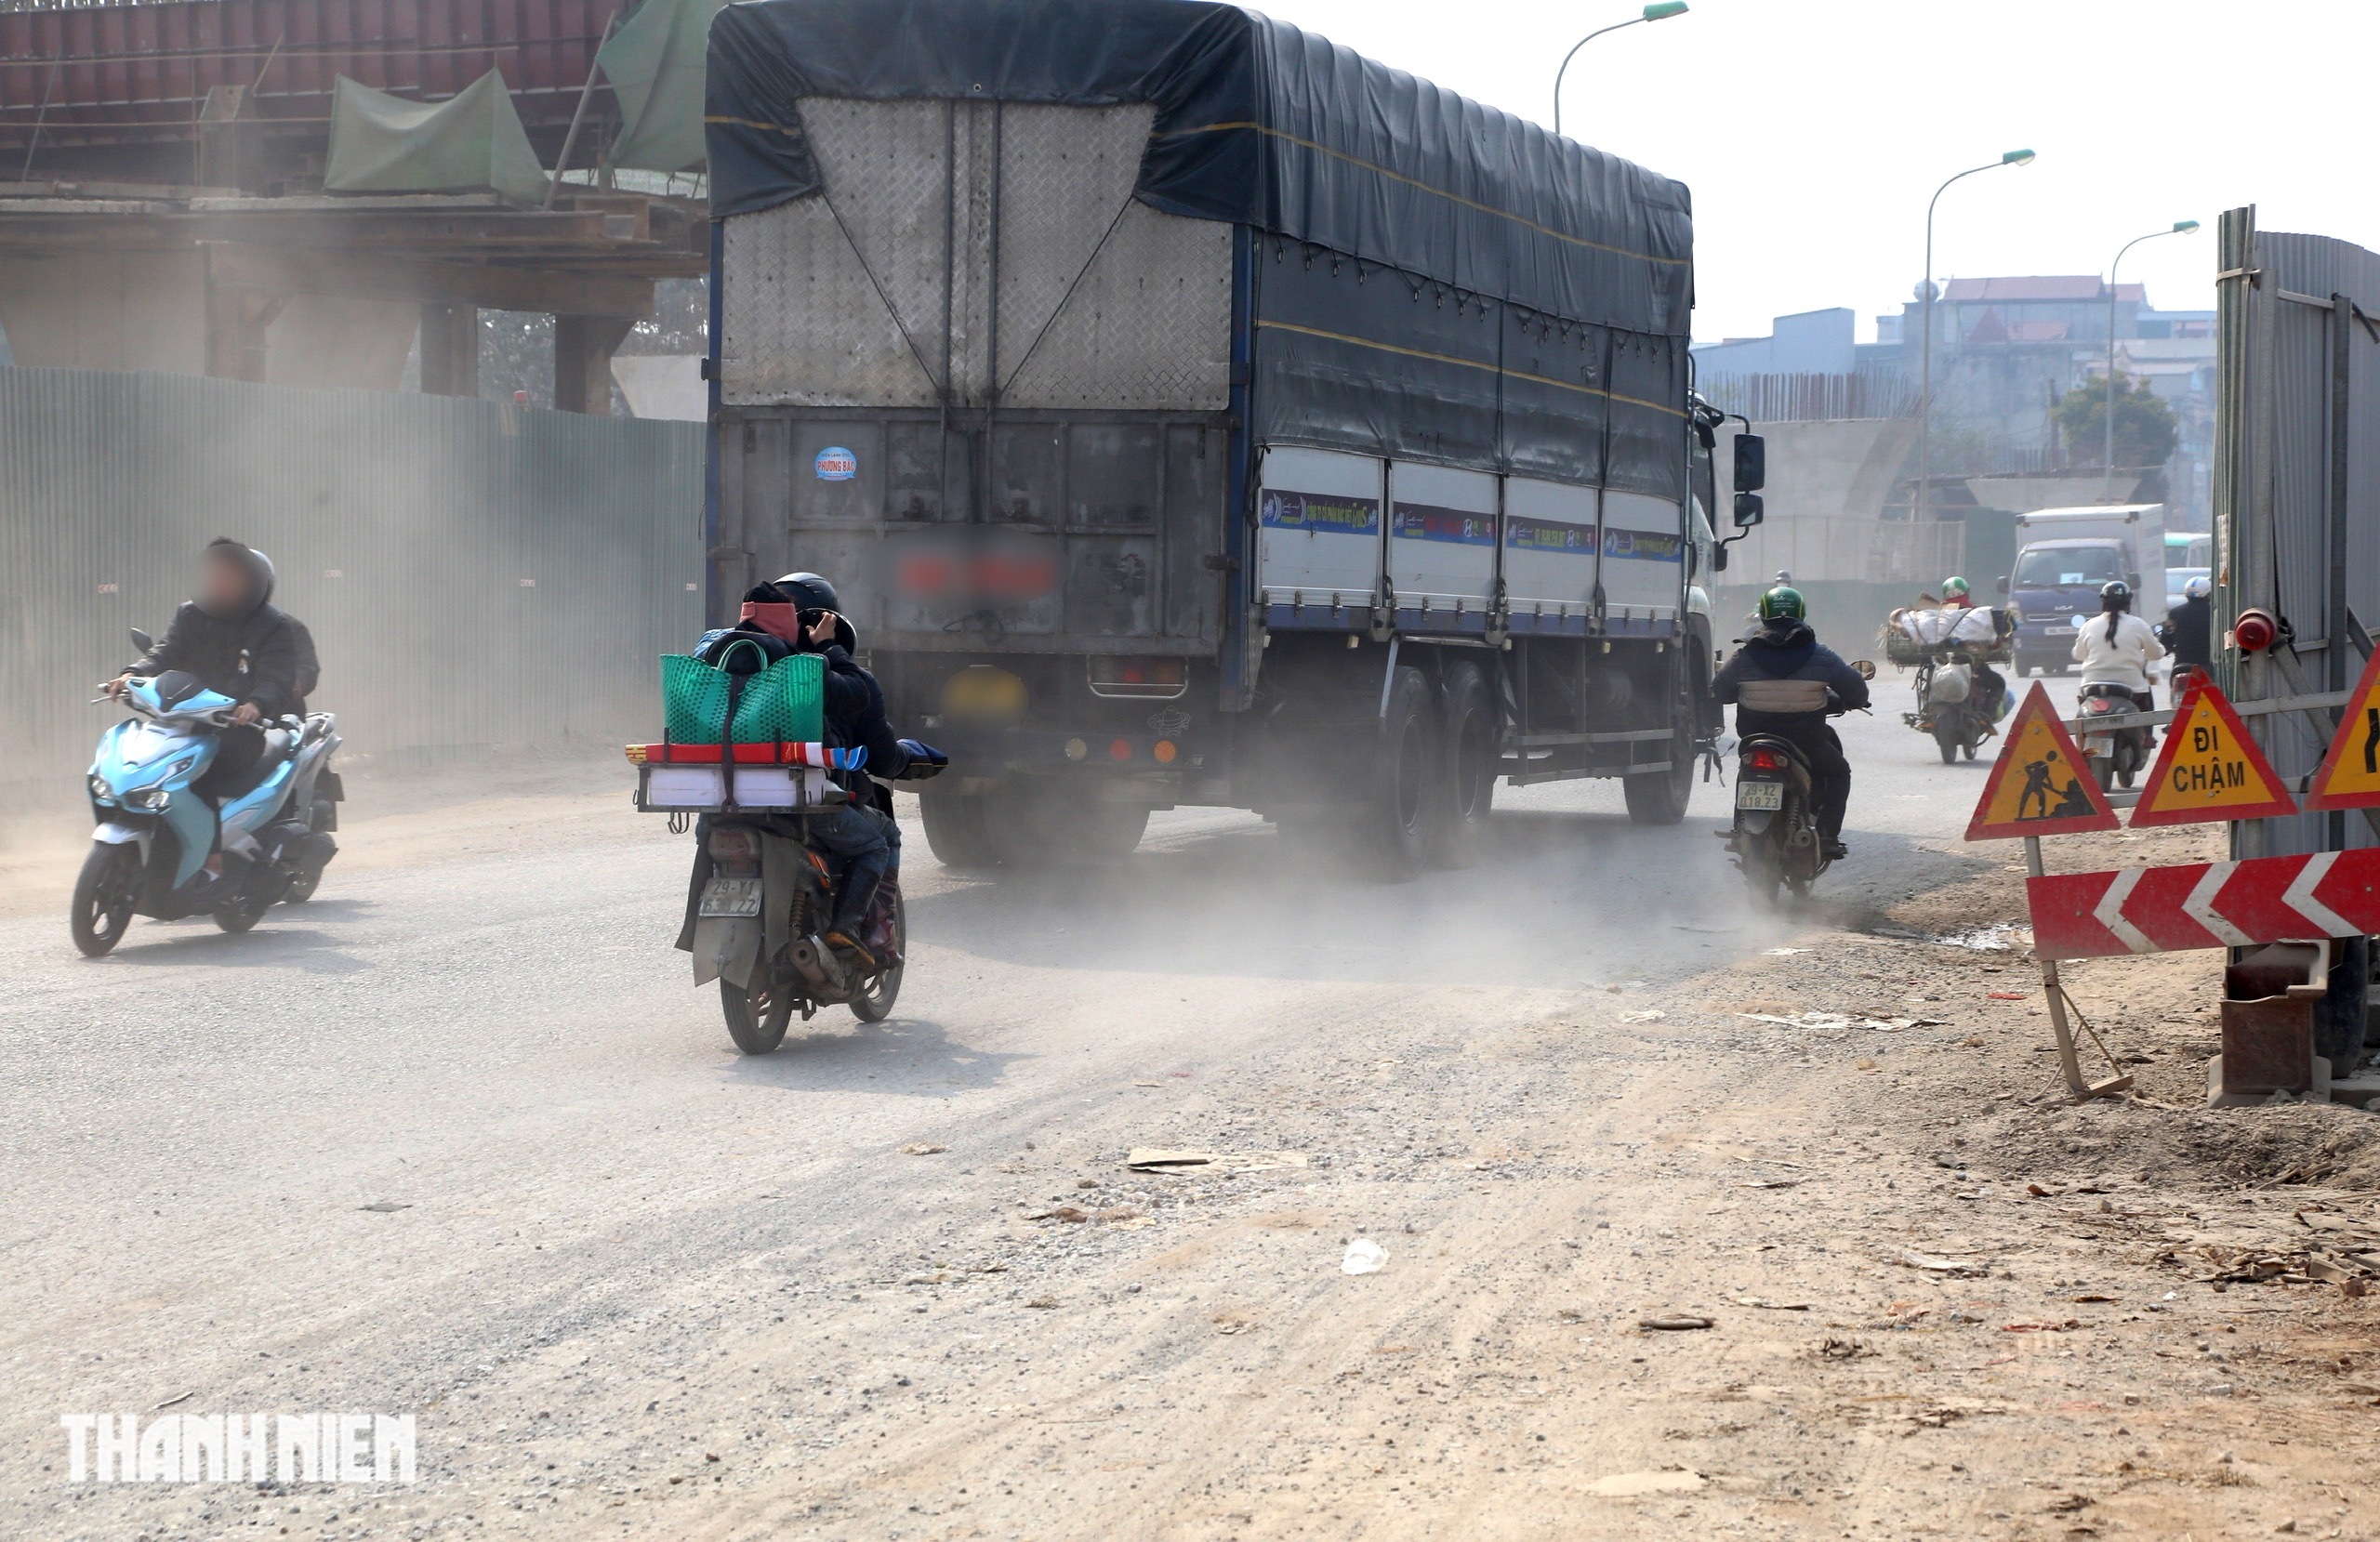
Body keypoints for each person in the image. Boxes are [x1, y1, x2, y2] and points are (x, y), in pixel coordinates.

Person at [682, 573, 943, 969]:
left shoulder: (712, 660)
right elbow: (866, 708)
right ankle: (849, 928)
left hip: (722, 800)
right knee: (878, 842)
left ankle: (692, 924)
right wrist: (828, 647)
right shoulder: (803, 670)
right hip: (802, 805)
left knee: (710, 838)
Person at [108, 538, 303, 807]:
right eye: (214, 572)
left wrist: (255, 704)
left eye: (228, 574)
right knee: (144, 766)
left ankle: (212, 850)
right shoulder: (191, 614)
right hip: (184, 721)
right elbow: (165, 651)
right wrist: (131, 674)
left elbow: (277, 678)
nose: (218, 579)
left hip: (238, 729)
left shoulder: (273, 625)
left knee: (197, 778)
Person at [1713, 586, 1870, 861]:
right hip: (1806, 742)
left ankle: (1740, 828)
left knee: (1745, 769)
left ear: (1762, 615)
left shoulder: (1744, 656)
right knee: (1838, 773)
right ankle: (1827, 836)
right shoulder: (1822, 655)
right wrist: (1849, 700)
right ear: (1801, 614)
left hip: (1756, 740)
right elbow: (1856, 691)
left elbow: (1720, 692)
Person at [2070, 579, 2164, 718]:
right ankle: (2146, 737)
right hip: (2133, 689)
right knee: (2146, 714)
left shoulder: (2089, 625)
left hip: (2091, 687)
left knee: (2082, 722)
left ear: (2103, 601)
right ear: (2128, 603)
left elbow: (2078, 655)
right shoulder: (2138, 624)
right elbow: (2156, 654)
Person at [1936, 574, 2008, 722]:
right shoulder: (1978, 614)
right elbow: (1993, 642)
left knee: (1930, 679)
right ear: (1966, 592)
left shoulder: (1935, 615)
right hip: (1973, 666)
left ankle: (1929, 713)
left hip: (1942, 665)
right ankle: (1986, 717)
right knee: (1998, 683)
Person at [2158, 574, 2214, 701]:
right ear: (2208, 594)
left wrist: (2166, 649)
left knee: (2176, 703)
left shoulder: (2175, 613)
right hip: (2206, 666)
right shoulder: (2214, 613)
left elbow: (2165, 641)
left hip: (2180, 666)